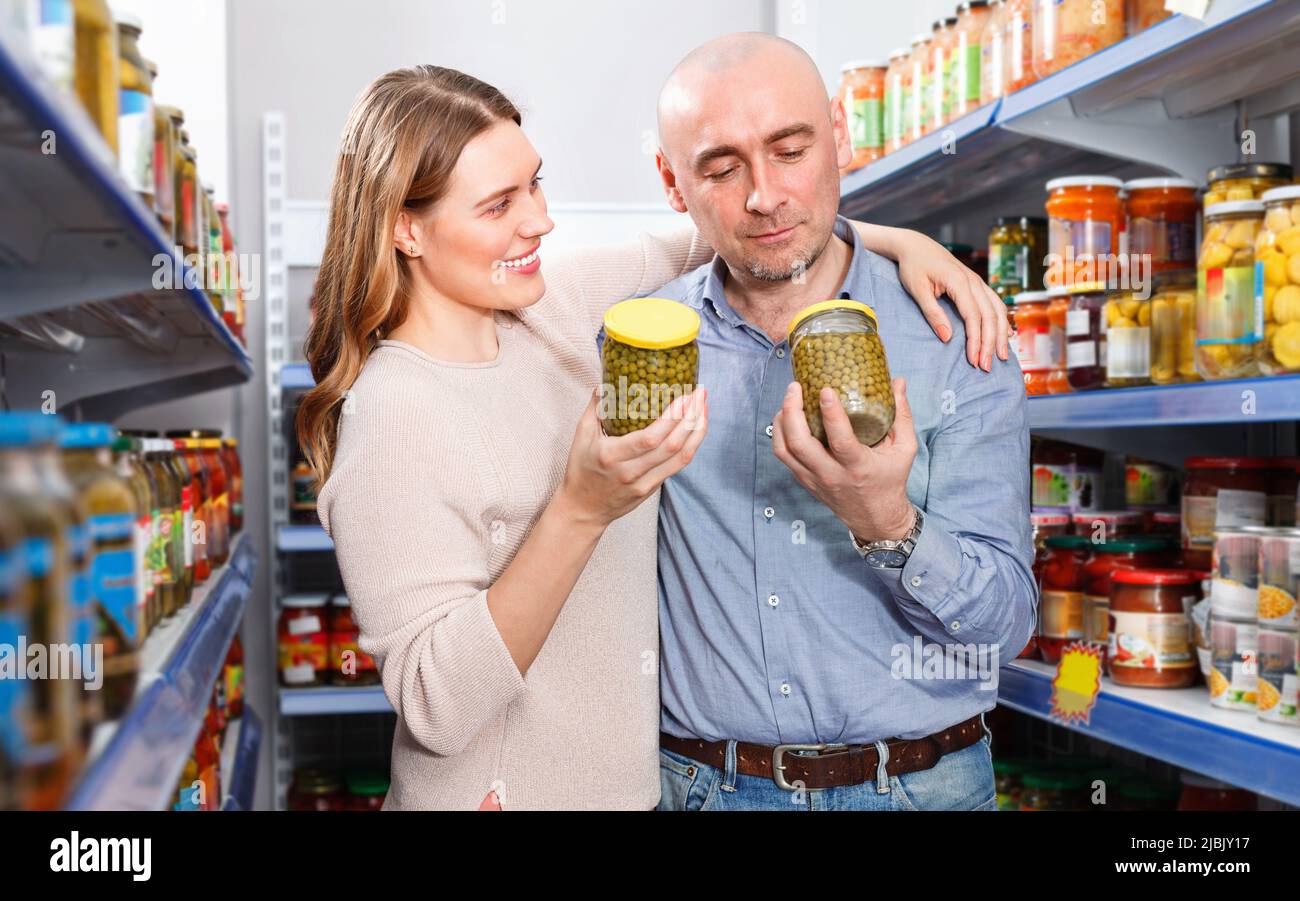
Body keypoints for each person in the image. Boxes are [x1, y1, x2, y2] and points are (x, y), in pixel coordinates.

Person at [300, 65, 1008, 810]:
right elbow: (434, 703)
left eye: (534, 185)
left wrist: (901, 244)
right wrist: (580, 506)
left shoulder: (557, 306)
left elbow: (747, 227)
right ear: (405, 227)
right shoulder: (391, 411)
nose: (539, 221)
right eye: (498, 205)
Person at [649, 33, 1036, 811]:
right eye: (721, 169)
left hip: (924, 788)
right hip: (705, 790)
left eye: (791, 150)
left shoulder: (953, 335)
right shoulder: (638, 346)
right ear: (671, 182)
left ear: (840, 135)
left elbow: (1006, 633)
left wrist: (887, 521)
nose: (765, 195)